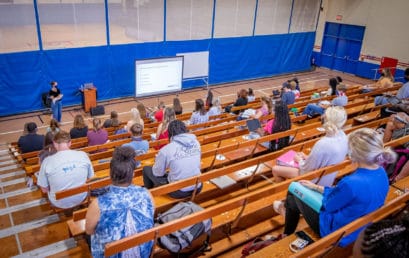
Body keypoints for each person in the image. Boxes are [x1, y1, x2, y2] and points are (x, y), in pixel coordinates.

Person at [279, 128, 396, 247]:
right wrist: (317, 188)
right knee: (294, 200)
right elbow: (345, 195)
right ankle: (287, 226)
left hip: (335, 231)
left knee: (293, 192)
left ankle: (287, 232)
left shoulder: (351, 182)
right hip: (360, 226)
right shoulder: (381, 172)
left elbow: (328, 206)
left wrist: (319, 191)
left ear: (352, 153)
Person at [85, 146, 154, 258]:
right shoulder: (147, 194)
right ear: (133, 174)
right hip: (143, 252)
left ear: (110, 175)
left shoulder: (98, 204)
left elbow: (89, 231)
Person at [272, 106, 348, 183]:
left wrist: (299, 160)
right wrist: (307, 157)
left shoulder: (323, 143)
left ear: (326, 120)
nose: (321, 116)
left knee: (275, 169)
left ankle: (283, 191)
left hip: (314, 180)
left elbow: (306, 170)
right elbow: (326, 160)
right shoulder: (343, 136)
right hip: (328, 176)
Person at [142, 120, 202, 199]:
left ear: (170, 134)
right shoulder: (196, 143)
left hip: (179, 191)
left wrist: (159, 161)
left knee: (146, 169)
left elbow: (157, 173)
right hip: (198, 186)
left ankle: (149, 194)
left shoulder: (166, 150)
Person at [37, 131, 94, 209]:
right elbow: (91, 177)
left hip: (58, 202)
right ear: (70, 143)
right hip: (81, 196)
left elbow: (44, 189)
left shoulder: (47, 161)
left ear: (55, 143)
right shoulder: (83, 155)